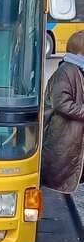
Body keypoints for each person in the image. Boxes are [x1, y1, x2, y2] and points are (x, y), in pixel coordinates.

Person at [42, 30, 84, 193]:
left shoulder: (77, 69)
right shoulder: (66, 71)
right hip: (63, 135)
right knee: (58, 178)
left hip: (71, 136)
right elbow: (62, 103)